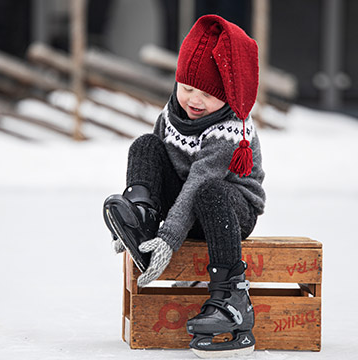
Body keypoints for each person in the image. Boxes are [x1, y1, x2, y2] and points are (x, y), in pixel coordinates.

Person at [102, 14, 264, 356]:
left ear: (226, 97)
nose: (194, 100)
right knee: (146, 145)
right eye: (187, 87)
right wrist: (151, 230)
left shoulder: (229, 129)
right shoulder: (172, 114)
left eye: (206, 94)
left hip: (230, 212)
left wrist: (170, 238)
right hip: (187, 204)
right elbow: (163, 168)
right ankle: (141, 219)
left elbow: (199, 182)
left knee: (208, 191)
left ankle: (231, 296)